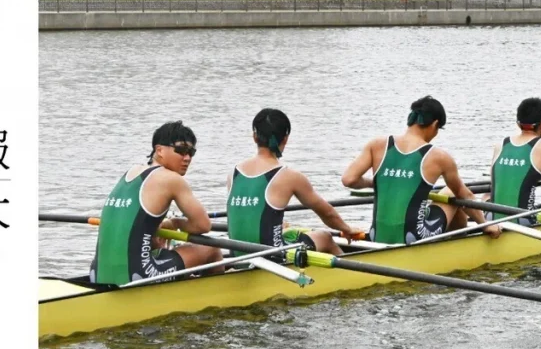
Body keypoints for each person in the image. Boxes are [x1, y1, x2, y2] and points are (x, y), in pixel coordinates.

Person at [341, 96, 500, 244]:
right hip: (414, 237)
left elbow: (349, 180)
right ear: (435, 124)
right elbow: (465, 195)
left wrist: (376, 183)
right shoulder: (439, 157)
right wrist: (485, 225)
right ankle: (459, 247)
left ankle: (455, 243)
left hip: (377, 235)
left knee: (441, 196)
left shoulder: (376, 144)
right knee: (451, 193)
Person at [90, 121, 223, 286]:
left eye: (191, 152)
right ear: (159, 150)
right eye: (181, 150)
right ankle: (212, 295)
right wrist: (174, 223)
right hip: (141, 274)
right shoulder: (171, 179)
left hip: (96, 274)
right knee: (211, 249)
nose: (187, 157)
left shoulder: (130, 173)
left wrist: (154, 236)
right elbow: (203, 225)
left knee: (163, 250)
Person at [226, 108, 359, 257]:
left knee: (287, 231)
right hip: (274, 259)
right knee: (324, 237)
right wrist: (347, 229)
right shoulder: (289, 176)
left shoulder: (234, 173)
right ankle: (351, 278)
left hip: (236, 258)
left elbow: (247, 216)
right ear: (285, 139)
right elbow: (327, 213)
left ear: (254, 137)